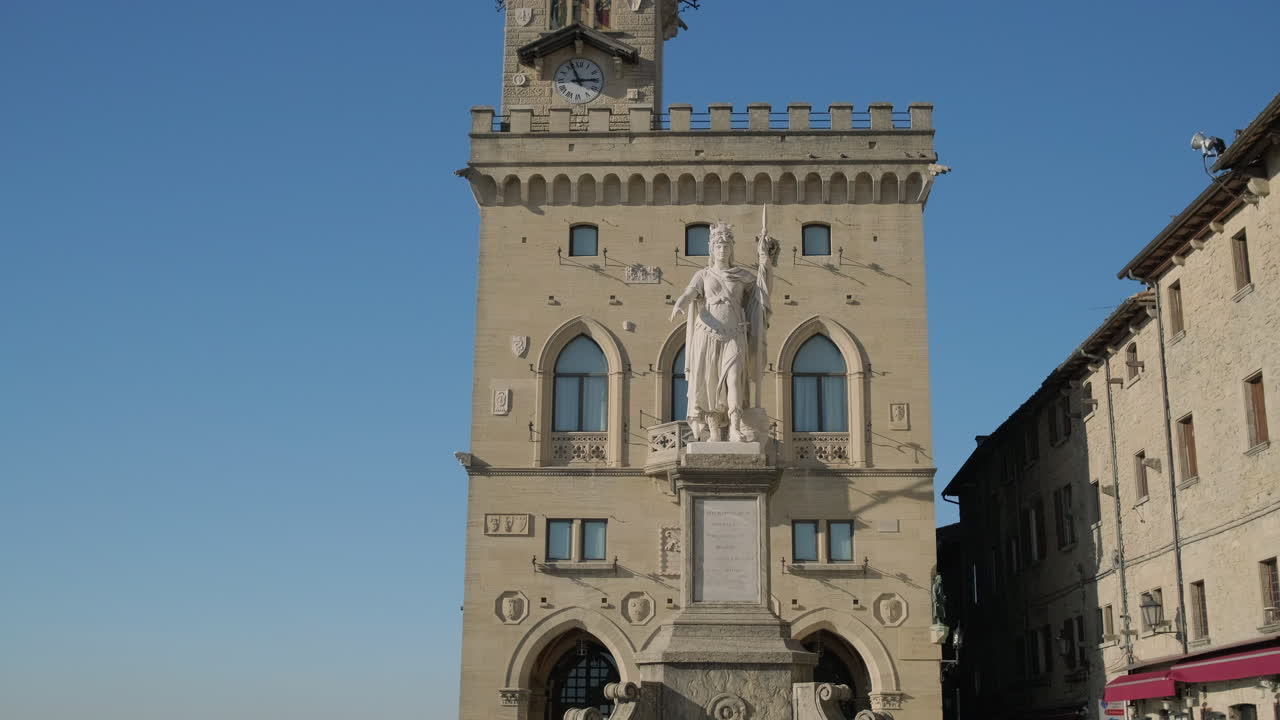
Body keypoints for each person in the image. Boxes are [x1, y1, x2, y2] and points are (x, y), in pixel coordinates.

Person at [670, 221, 775, 442]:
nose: (722, 250)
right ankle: (715, 430)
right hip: (707, 334)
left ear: (731, 249)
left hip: (735, 334)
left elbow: (761, 291)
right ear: (711, 249)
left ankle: (735, 428)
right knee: (709, 383)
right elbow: (690, 292)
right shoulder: (703, 275)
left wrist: (764, 260)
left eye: (726, 246)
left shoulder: (741, 275)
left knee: (735, 379)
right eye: (718, 245)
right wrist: (680, 303)